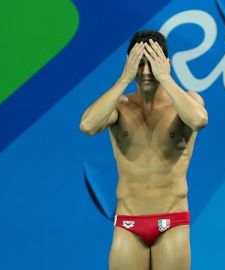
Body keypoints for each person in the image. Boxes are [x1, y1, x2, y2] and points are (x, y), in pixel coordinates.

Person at [80, 30, 208, 270]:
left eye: (153, 64)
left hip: (172, 220)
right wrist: (123, 80)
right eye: (140, 64)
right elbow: (87, 126)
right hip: (128, 221)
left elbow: (199, 120)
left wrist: (166, 78)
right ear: (130, 64)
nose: (147, 72)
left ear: (166, 64)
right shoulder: (119, 106)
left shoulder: (186, 103)